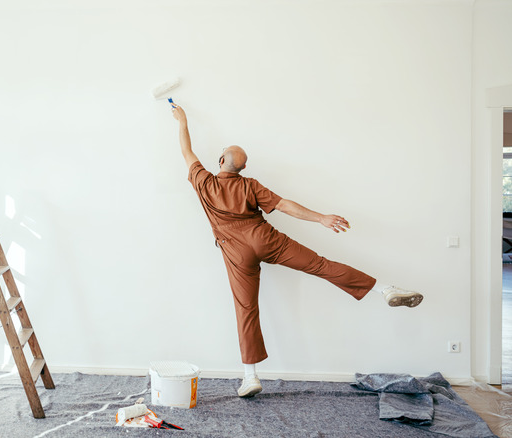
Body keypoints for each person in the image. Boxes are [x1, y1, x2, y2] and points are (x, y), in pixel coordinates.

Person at [170, 102, 423, 398]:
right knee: (321, 265)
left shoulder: (204, 182)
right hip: (265, 238)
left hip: (236, 250)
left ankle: (250, 377)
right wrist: (321, 218)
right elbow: (284, 205)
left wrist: (182, 120)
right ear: (244, 167)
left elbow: (187, 151)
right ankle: (385, 289)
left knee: (246, 308)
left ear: (221, 159)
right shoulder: (250, 185)